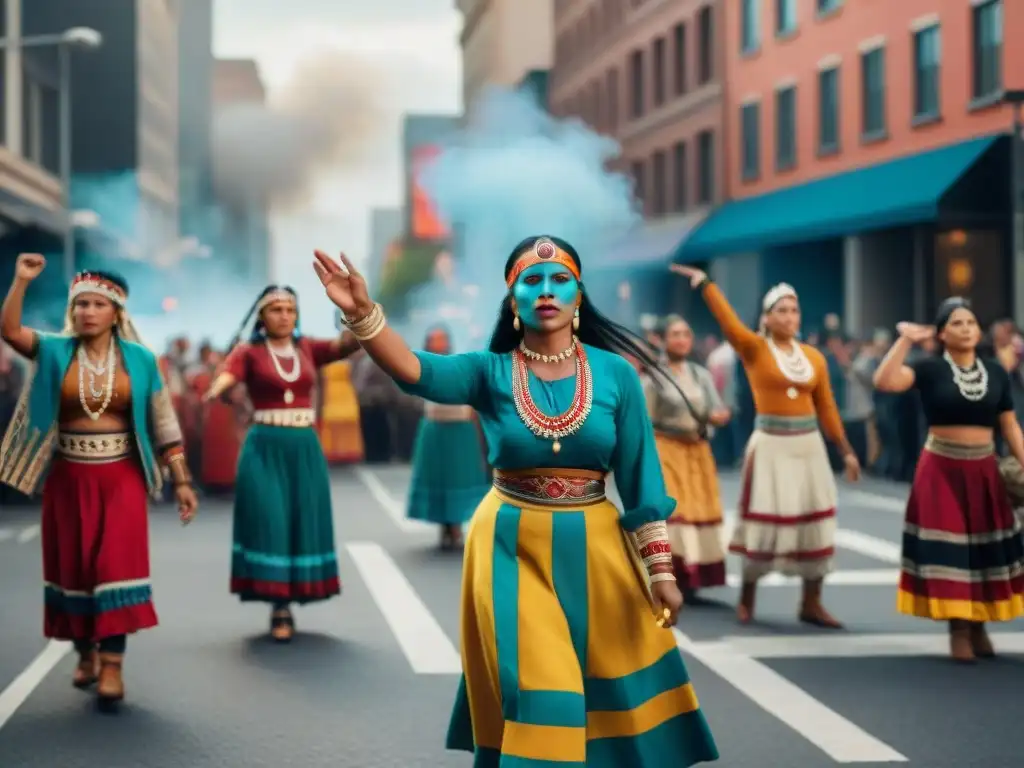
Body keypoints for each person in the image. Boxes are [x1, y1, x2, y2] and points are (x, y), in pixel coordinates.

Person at [312, 238, 718, 766]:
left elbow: (641, 479)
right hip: (509, 544)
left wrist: (661, 570)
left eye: (559, 281)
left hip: (597, 552)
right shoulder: (490, 371)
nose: (545, 291)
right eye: (531, 281)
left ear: (578, 296)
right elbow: (414, 370)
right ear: (512, 302)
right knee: (545, 690)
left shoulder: (616, 375)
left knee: (605, 696)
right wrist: (364, 314)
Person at [0, 254, 198, 706]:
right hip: (68, 481)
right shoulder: (54, 350)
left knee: (114, 569)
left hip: (122, 479)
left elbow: (163, 422)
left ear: (117, 312)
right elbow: (10, 331)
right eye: (80, 304)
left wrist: (182, 480)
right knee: (75, 571)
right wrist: (20, 281)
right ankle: (83, 652)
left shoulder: (141, 360)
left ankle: (112, 666)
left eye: (96, 304)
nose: (86, 312)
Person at [670, 264, 860, 628]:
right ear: (767, 318)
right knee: (763, 521)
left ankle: (811, 600)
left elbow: (827, 407)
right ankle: (748, 597)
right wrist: (706, 285)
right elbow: (729, 324)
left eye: (794, 310)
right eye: (781, 310)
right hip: (771, 445)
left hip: (808, 446)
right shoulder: (755, 349)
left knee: (816, 518)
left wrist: (846, 449)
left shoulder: (814, 358)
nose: (789, 317)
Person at [202, 285, 359, 642]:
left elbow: (350, 344)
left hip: (303, 447)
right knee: (270, 518)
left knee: (300, 520)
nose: (284, 315)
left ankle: (292, 595)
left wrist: (354, 312)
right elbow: (229, 375)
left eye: (290, 309)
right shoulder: (248, 352)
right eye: (275, 309)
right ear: (261, 316)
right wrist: (218, 388)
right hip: (264, 446)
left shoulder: (308, 348)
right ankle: (279, 606)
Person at [872, 298, 1024, 662]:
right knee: (951, 549)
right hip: (941, 469)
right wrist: (905, 339)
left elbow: (1009, 425)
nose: (967, 328)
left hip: (984, 470)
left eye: (971, 321)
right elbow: (885, 381)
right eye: (957, 323)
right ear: (941, 334)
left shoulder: (995, 372)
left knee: (984, 549)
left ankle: (978, 625)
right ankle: (958, 629)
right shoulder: (929, 369)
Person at [644, 315, 731, 599]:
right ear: (663, 339)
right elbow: (643, 421)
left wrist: (719, 417)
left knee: (697, 512)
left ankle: (692, 577)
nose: (681, 340)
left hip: (697, 453)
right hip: (666, 449)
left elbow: (715, 409)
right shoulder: (653, 377)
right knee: (676, 512)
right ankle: (670, 575)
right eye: (675, 334)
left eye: (686, 334)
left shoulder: (699, 374)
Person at [406, 325, 490, 550]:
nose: (439, 343)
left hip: (460, 430)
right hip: (434, 429)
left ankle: (455, 526)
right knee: (438, 477)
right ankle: (444, 525)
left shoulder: (459, 363)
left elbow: (474, 398)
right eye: (434, 339)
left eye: (442, 339)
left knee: (459, 477)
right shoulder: (420, 365)